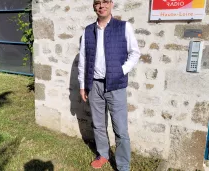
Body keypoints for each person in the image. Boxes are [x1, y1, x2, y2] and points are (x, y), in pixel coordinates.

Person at [78, 0, 141, 170]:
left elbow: (135, 53)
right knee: (98, 125)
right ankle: (103, 154)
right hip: (94, 85)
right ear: (94, 6)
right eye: (97, 3)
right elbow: (83, 59)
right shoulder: (88, 31)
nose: (101, 6)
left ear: (111, 4)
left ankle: (123, 165)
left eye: (105, 2)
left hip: (116, 85)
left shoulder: (123, 27)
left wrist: (121, 70)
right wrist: (83, 85)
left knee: (120, 129)